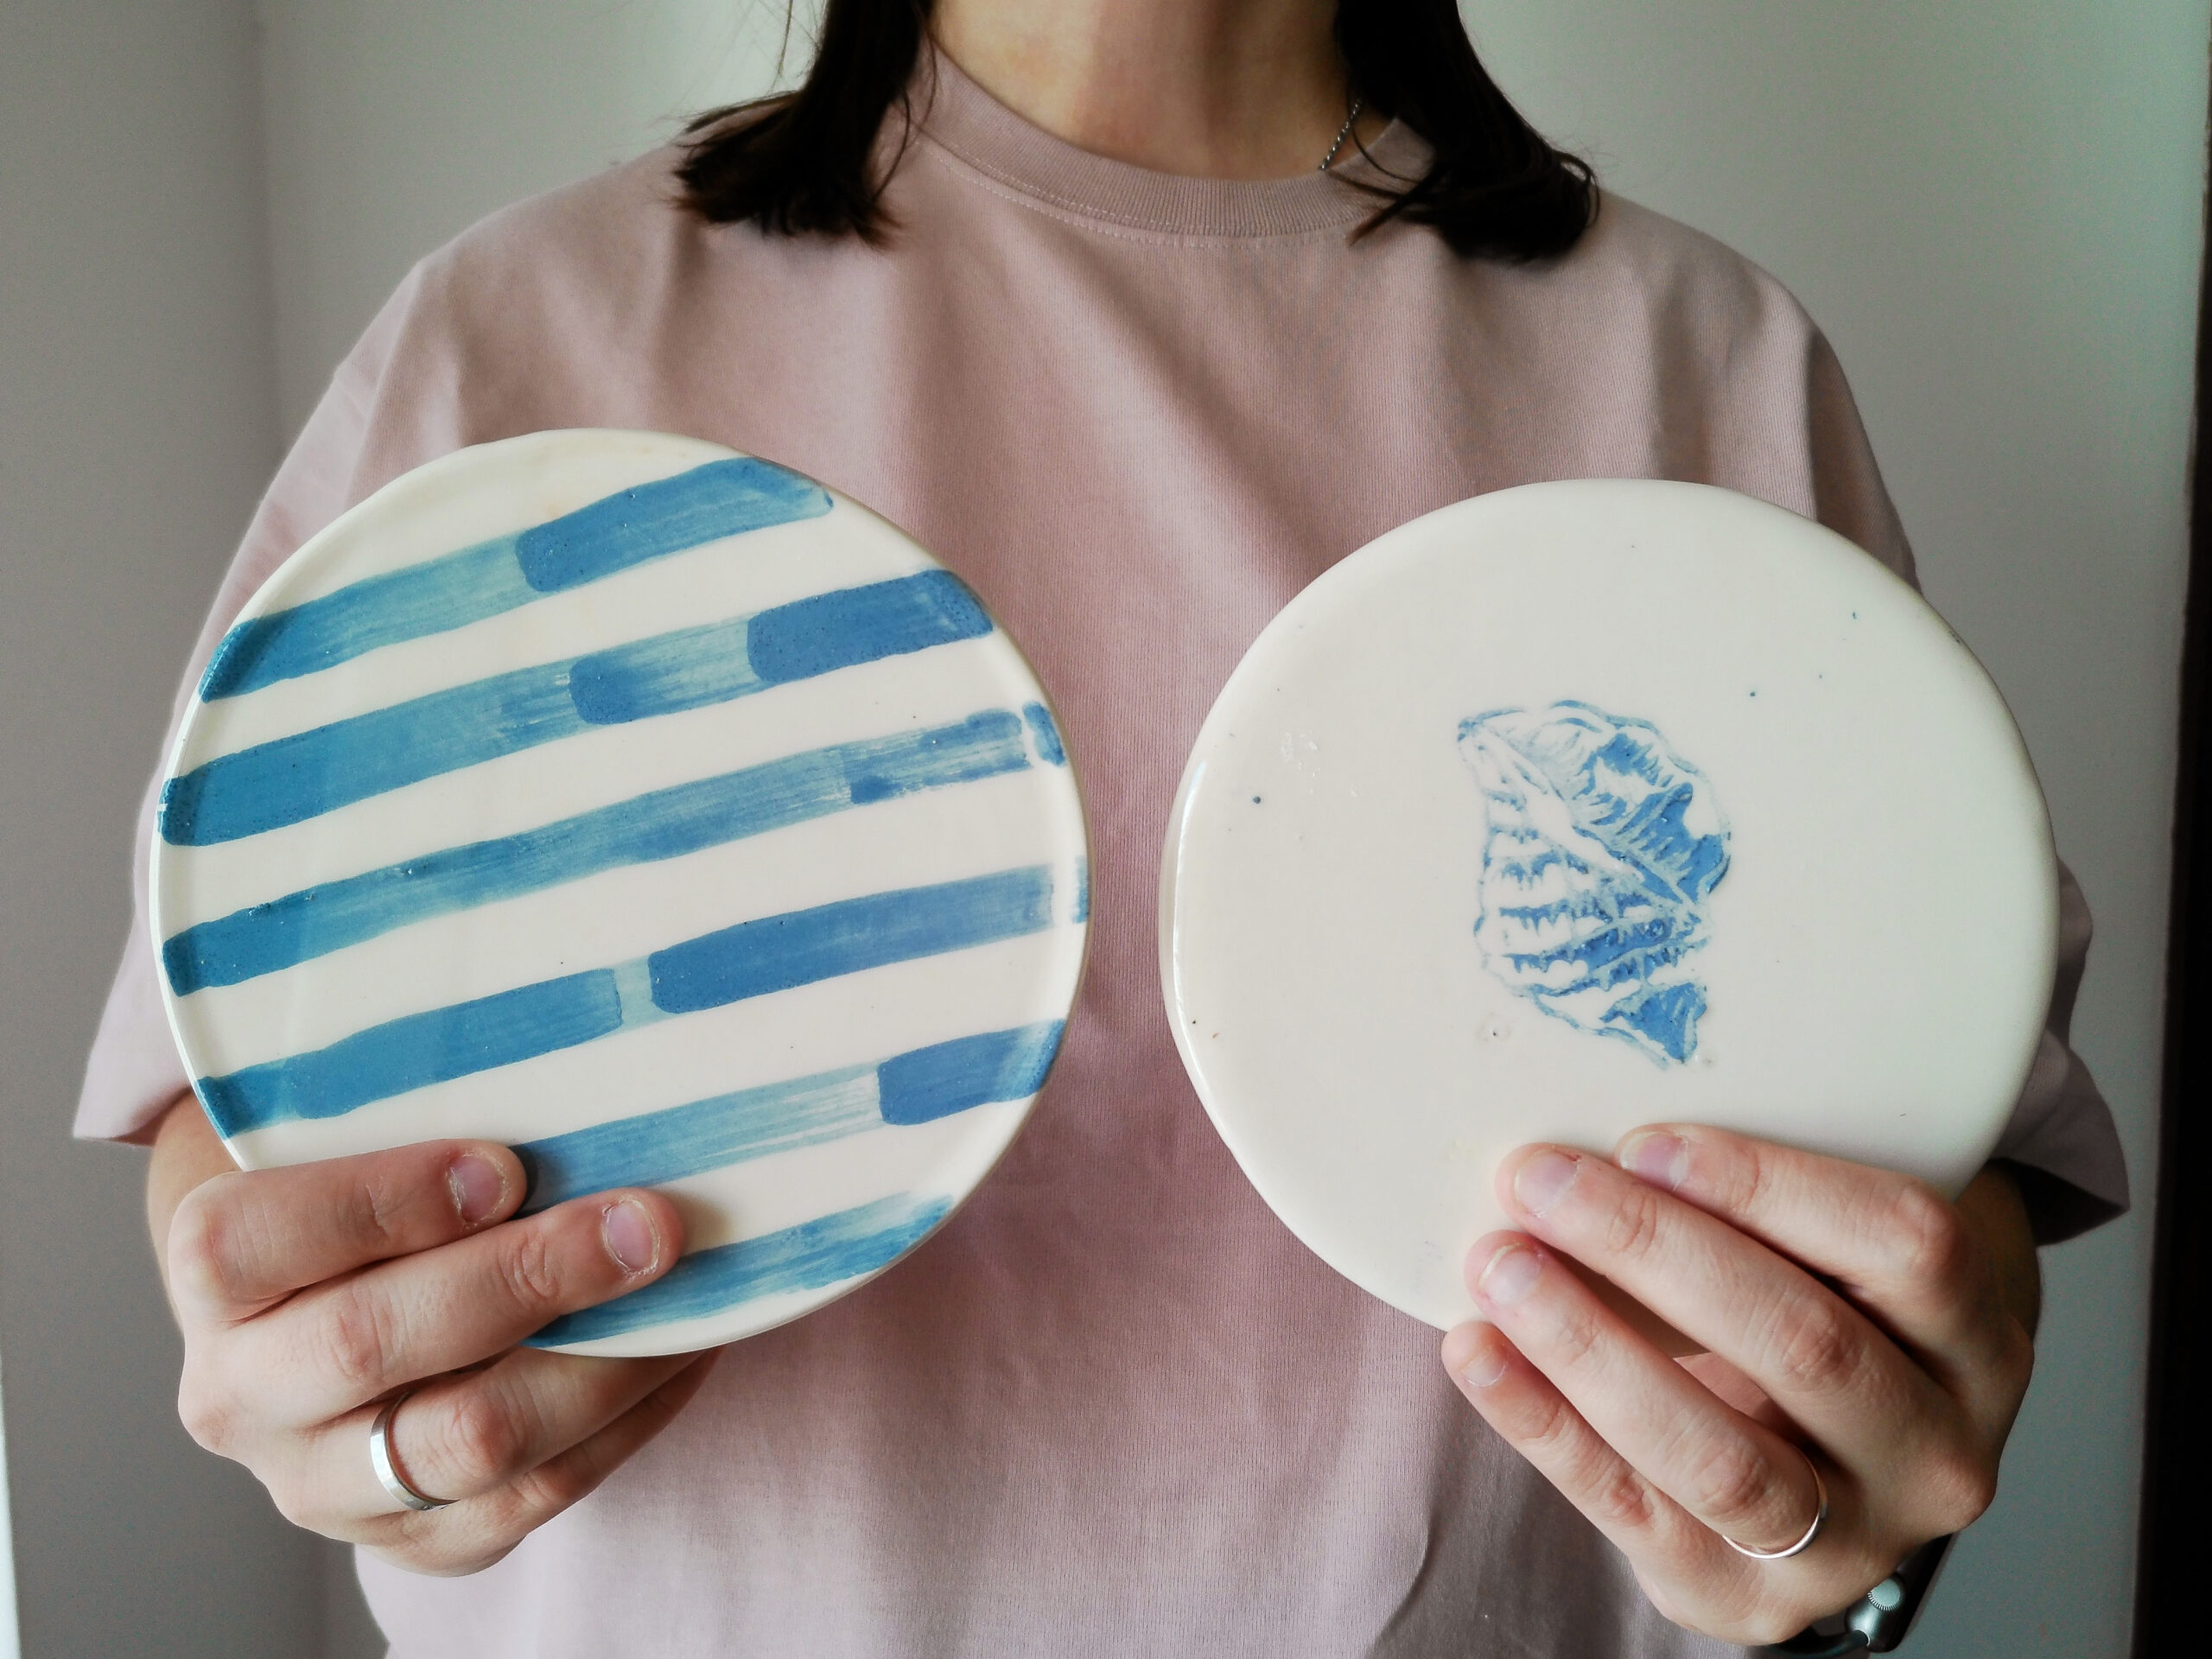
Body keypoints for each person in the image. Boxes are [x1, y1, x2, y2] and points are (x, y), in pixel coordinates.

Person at [77, 0, 2128, 1653]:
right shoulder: (510, 354)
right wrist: (340, 1393)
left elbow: (1919, 1268)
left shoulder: (1709, 373)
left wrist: (1844, 1541)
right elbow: (236, 1130)